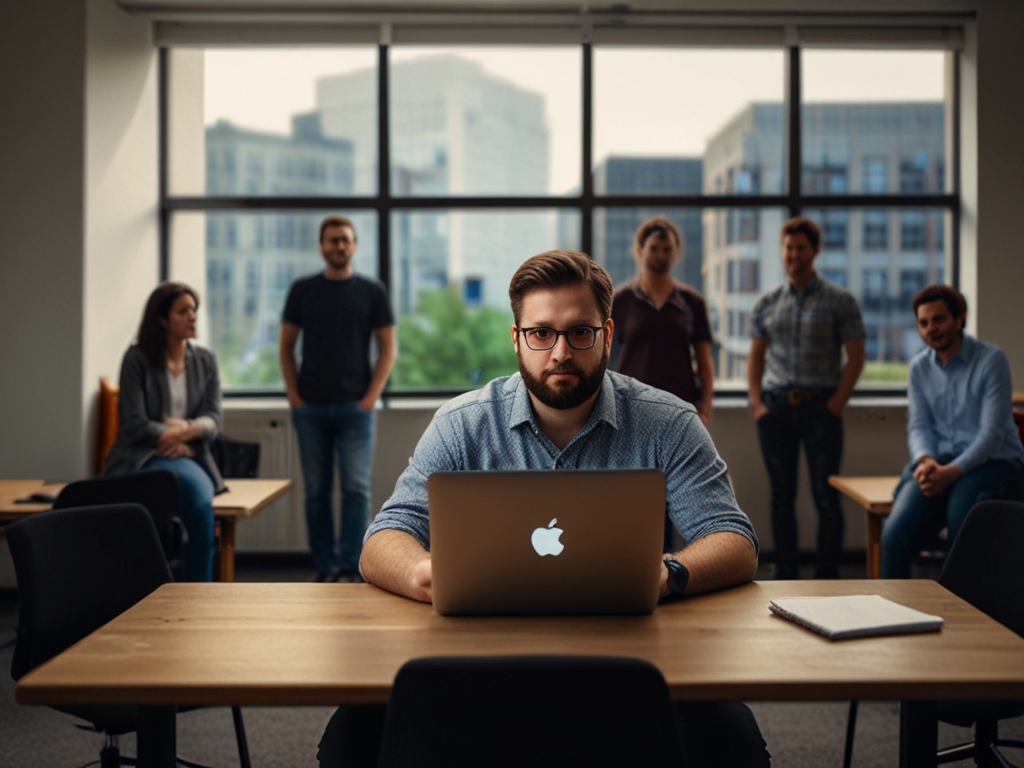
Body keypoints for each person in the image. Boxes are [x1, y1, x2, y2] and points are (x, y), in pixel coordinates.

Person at [323, 250, 770, 768]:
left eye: (579, 332)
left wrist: (670, 574)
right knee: (350, 740)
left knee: (735, 747)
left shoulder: (669, 422)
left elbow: (734, 540)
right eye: (541, 333)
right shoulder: (461, 424)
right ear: (517, 339)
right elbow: (382, 539)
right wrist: (423, 572)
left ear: (607, 334)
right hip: (476, 657)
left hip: (636, 654)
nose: (560, 352)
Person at [280, 215, 397, 583]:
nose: (339, 246)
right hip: (310, 407)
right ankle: (325, 566)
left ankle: (352, 564)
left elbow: (388, 349)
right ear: (321, 245)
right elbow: (285, 349)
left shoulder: (372, 291)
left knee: (356, 490)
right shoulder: (302, 290)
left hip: (355, 410)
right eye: (332, 240)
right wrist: (295, 398)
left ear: (355, 245)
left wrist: (369, 399)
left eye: (345, 240)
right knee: (316, 491)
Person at [747, 217, 865, 580]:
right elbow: (756, 358)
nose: (794, 255)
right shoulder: (766, 302)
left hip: (821, 409)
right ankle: (785, 574)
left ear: (815, 251)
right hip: (776, 409)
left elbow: (856, 357)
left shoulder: (840, 300)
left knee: (826, 498)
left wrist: (834, 406)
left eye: (801, 248)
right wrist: (758, 405)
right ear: (782, 252)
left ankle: (828, 576)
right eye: (788, 248)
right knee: (781, 499)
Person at [881, 285, 1023, 578]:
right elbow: (919, 427)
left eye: (939, 319)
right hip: (939, 461)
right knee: (894, 533)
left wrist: (951, 472)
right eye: (923, 323)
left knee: (963, 521)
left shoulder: (991, 361)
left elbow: (992, 435)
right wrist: (925, 461)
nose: (931, 329)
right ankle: (891, 615)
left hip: (993, 461)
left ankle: (965, 611)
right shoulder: (919, 368)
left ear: (960, 319)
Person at [103, 282, 224, 582]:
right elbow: (133, 421)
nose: (192, 316)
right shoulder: (136, 359)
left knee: (198, 501)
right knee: (188, 496)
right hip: (143, 455)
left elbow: (213, 418)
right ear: (162, 319)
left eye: (194, 310)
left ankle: (200, 592)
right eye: (183, 311)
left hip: (189, 454)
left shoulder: (205, 360)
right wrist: (176, 433)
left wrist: (186, 433)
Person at [611, 216, 714, 426]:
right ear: (640, 251)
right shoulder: (621, 300)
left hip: (681, 408)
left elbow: (704, 362)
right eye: (654, 248)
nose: (660, 255)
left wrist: (706, 410)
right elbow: (604, 357)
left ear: (676, 253)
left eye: (667, 249)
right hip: (632, 407)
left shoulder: (692, 302)